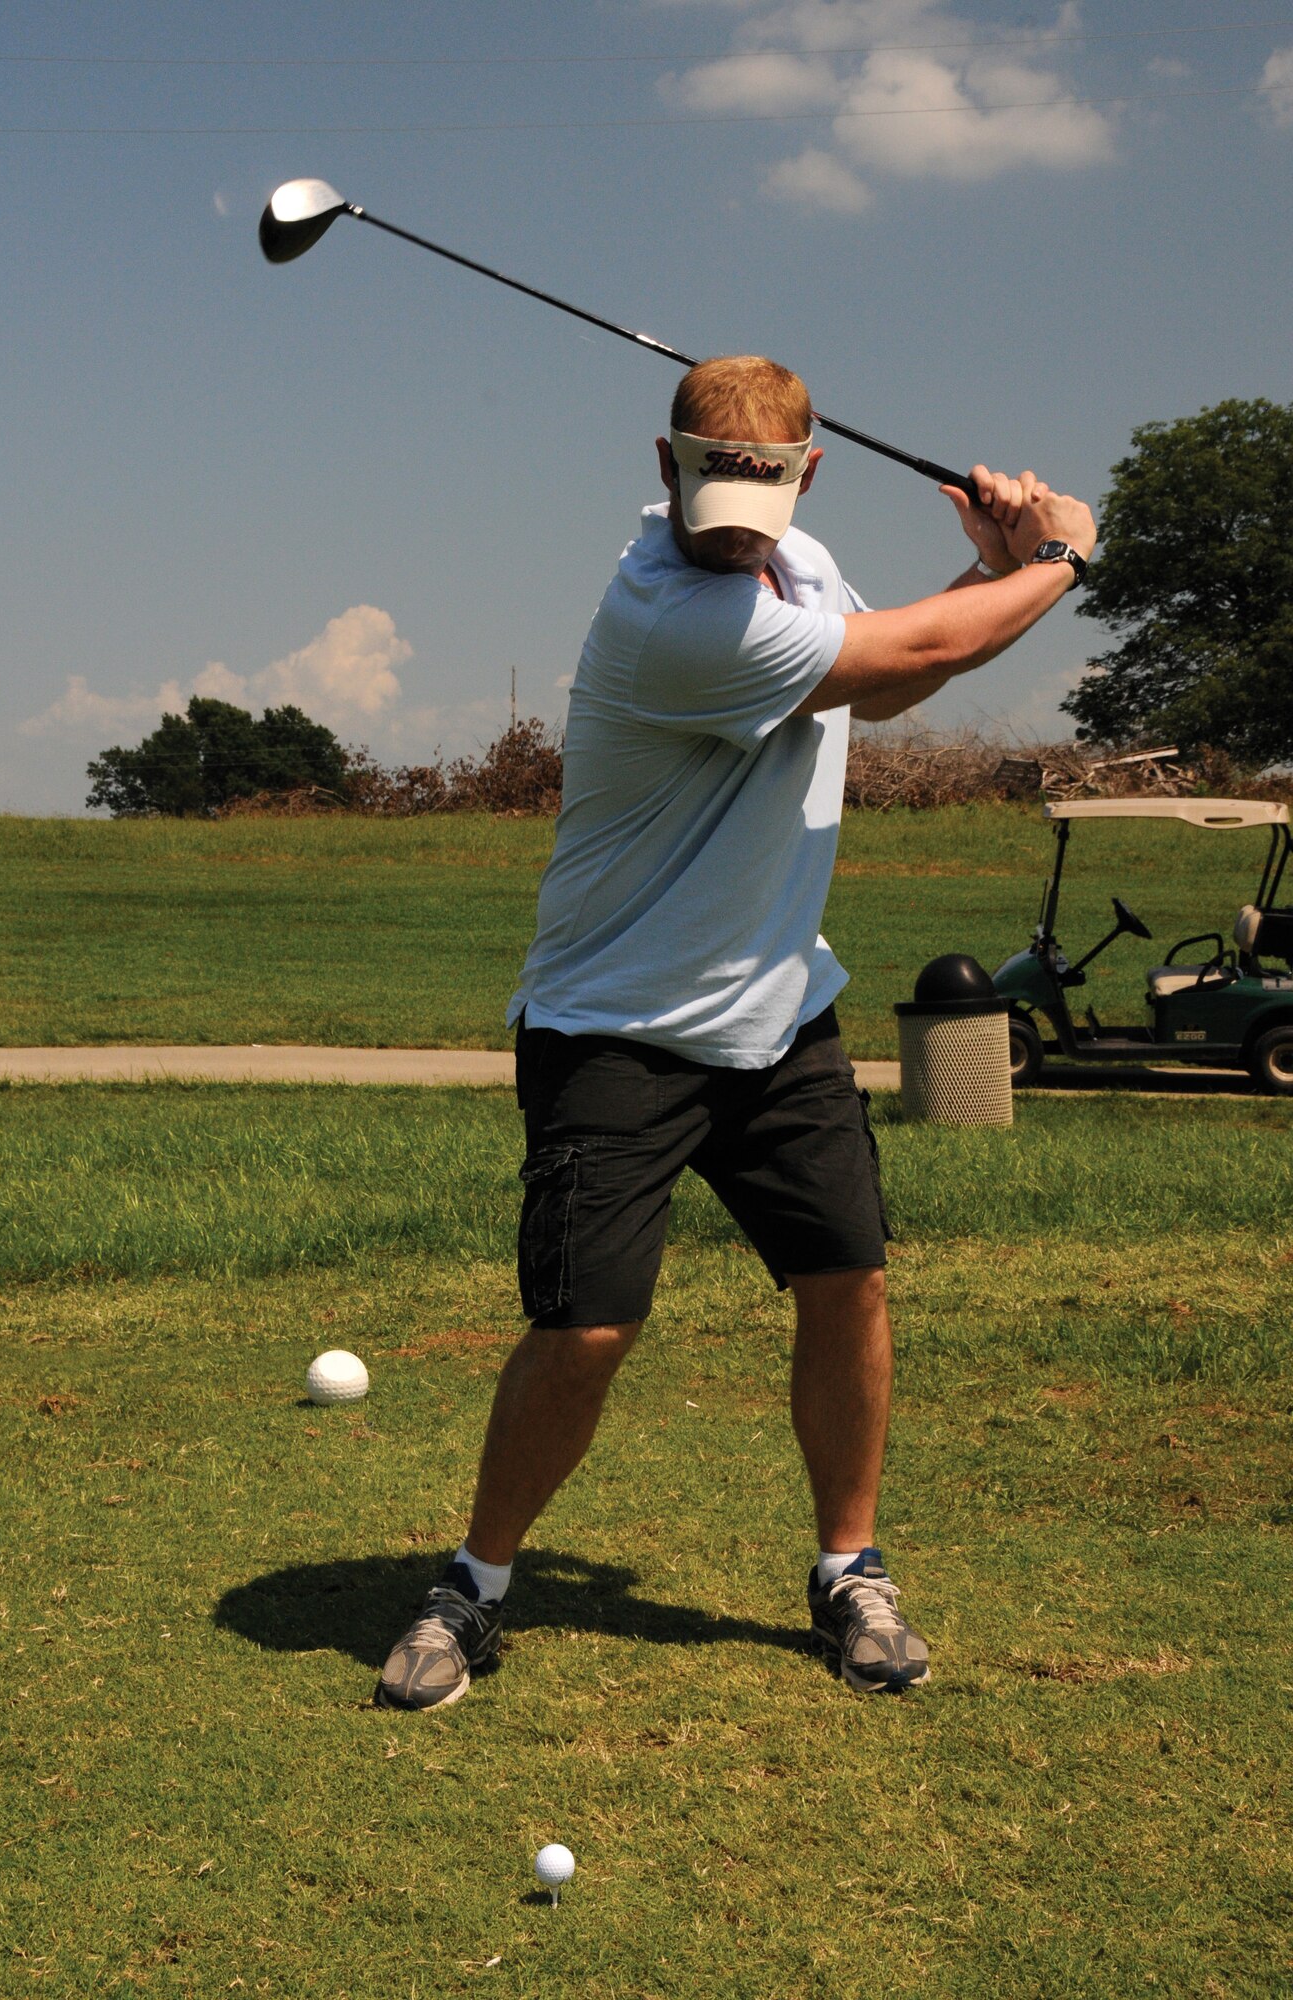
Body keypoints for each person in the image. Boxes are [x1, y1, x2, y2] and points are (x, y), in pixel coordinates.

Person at [375, 355, 1097, 1711]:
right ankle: (470, 1587)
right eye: (711, 494)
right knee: (589, 1329)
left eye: (758, 503)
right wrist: (1057, 560)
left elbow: (881, 682)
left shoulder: (805, 566)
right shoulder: (668, 615)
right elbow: (924, 658)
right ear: (664, 468)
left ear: (804, 479)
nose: (732, 530)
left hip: (780, 1016)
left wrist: (988, 568)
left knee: (848, 1283)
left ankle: (850, 1569)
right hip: (616, 1031)